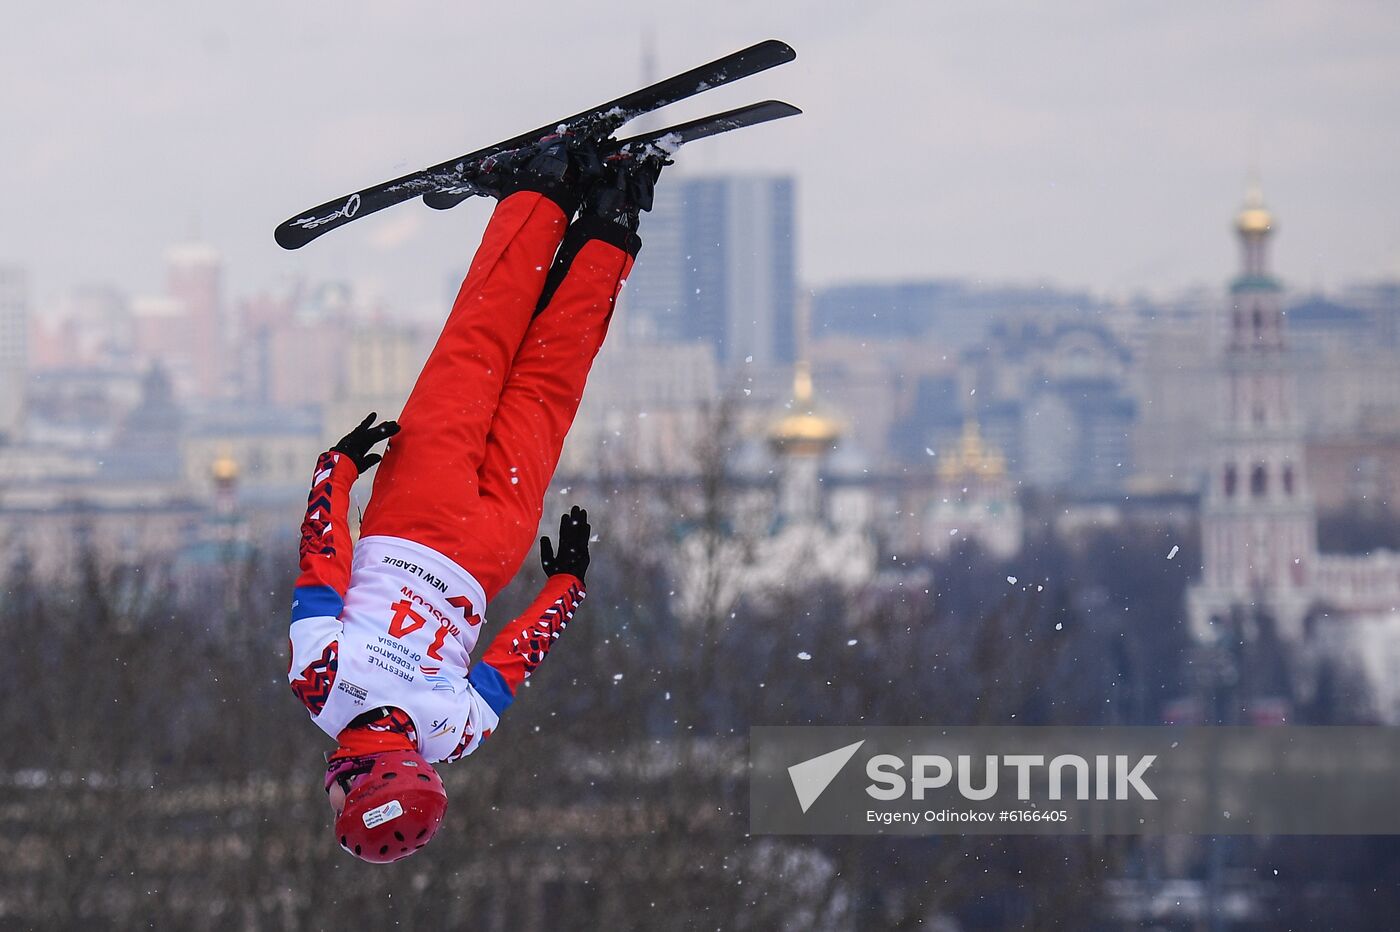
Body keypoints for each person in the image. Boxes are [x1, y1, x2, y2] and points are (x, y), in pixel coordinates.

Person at [286, 138, 665, 863]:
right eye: (341, 800)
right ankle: (541, 191)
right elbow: (322, 565)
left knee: (548, 385)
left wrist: (566, 586)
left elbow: (518, 654)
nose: (327, 793)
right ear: (366, 779)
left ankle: (614, 214)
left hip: (493, 545)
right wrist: (334, 472)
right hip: (415, 515)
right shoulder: (319, 686)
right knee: (477, 348)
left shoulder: (458, 733)